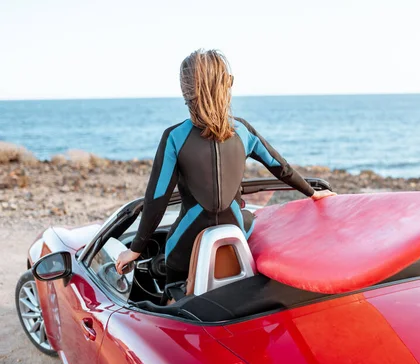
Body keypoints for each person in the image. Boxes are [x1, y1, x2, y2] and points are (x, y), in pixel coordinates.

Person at [115, 49, 335, 285]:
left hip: (185, 247)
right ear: (226, 86)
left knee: (171, 276)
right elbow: (280, 167)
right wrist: (312, 193)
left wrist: (135, 250)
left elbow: (157, 199)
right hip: (235, 233)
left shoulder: (175, 137)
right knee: (248, 216)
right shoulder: (242, 131)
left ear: (186, 90)